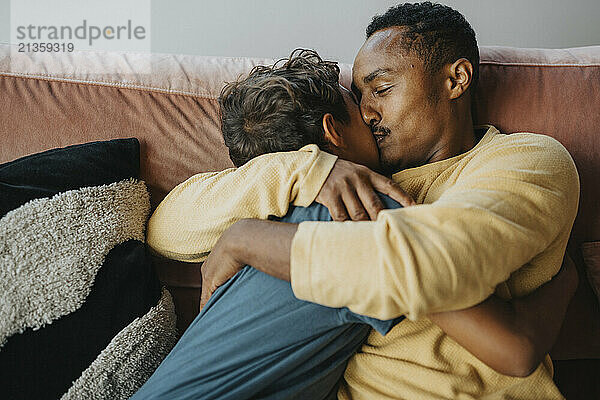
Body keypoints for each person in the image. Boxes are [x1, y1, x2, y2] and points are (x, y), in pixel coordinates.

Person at [146, 3, 580, 399]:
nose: (368, 112)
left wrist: (248, 239)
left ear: (455, 79)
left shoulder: (523, 159)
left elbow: (437, 261)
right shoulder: (340, 188)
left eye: (382, 89)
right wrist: (306, 169)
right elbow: (167, 228)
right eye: (360, 97)